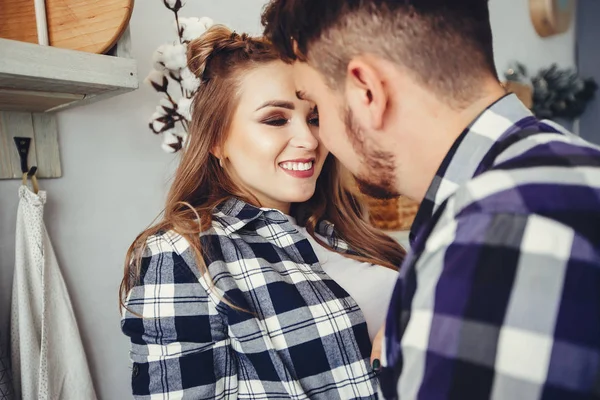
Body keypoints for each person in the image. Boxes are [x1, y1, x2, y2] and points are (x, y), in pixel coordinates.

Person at [261, 1, 600, 399]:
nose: (320, 142)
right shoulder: (573, 166)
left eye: (317, 110)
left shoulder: (497, 230)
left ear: (366, 90)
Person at [120, 25, 406, 399]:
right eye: (276, 119)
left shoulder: (338, 226)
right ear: (217, 140)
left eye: (315, 117)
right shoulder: (181, 254)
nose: (309, 139)